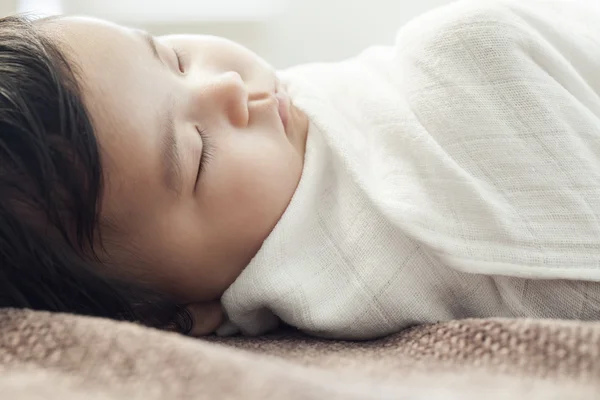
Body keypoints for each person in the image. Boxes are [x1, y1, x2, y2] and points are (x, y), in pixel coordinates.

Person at [3, 0, 600, 340]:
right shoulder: (341, 268)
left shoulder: (287, 119)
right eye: (198, 152)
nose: (228, 86)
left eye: (173, 56)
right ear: (171, 316)